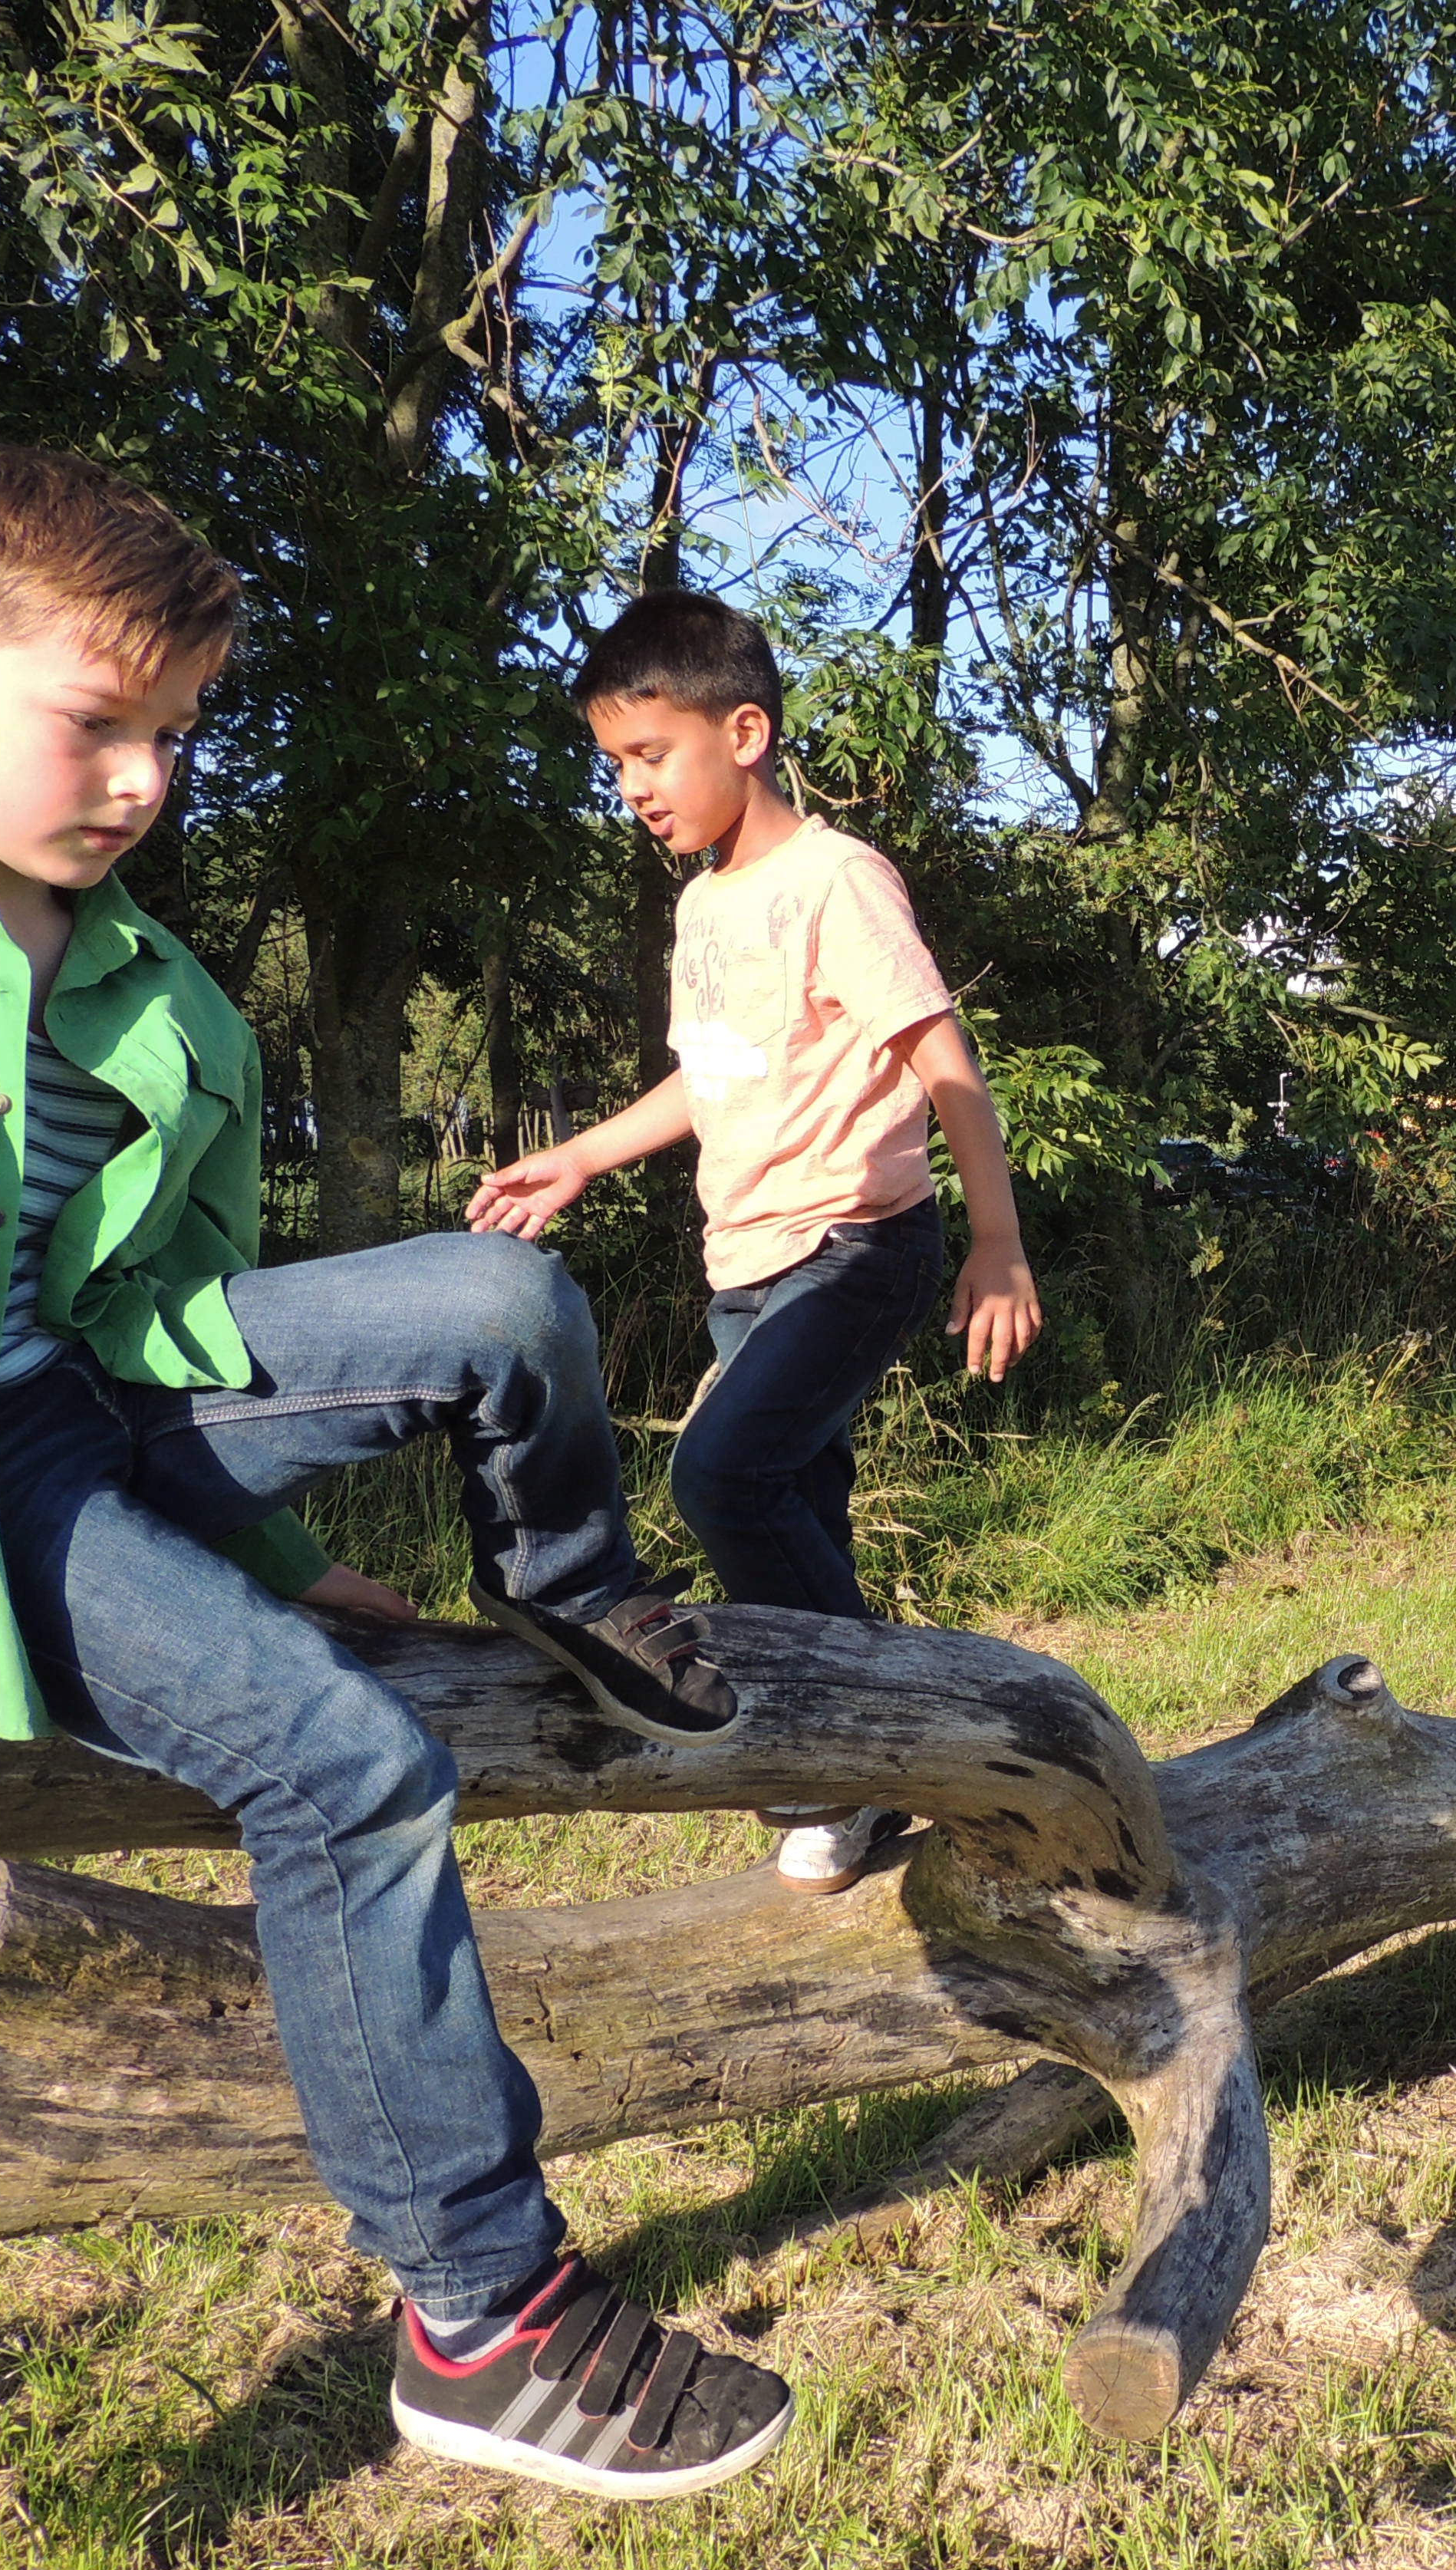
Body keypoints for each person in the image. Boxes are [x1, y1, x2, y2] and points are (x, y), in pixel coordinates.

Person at [0, 445, 792, 2500]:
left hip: (93, 1408)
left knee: (504, 1299)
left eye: (176, 735)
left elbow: (166, 1315)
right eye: (97, 722)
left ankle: (571, 1586)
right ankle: (482, 2318)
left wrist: (265, 1543)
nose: (143, 778)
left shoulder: (167, 997)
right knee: (343, 1765)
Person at [467, 590, 1042, 1894]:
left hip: (856, 1243)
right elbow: (709, 1080)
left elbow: (941, 1058)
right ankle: (857, 1786)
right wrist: (581, 1154)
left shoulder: (832, 880)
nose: (630, 788)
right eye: (613, 763)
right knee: (797, 1520)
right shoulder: (707, 910)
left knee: (721, 1479)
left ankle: (873, 1739)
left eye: (648, 755)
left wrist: (996, 1243)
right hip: (746, 1265)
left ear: (743, 731)